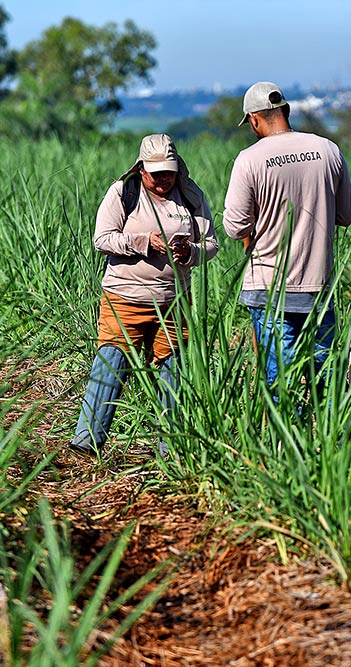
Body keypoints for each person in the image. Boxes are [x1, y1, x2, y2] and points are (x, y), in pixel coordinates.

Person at [71, 133, 218, 454]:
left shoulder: (190, 197)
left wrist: (190, 251)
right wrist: (142, 242)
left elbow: (211, 244)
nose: (163, 179)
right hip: (125, 297)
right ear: (141, 169)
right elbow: (103, 239)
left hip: (174, 300)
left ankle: (171, 447)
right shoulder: (123, 193)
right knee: (112, 364)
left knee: (173, 369)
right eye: (156, 173)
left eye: (169, 171)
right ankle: (86, 442)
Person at [223, 81, 351, 390]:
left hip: (268, 288)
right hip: (318, 287)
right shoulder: (327, 149)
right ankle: (327, 438)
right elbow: (346, 215)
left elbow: (235, 227)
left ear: (254, 119)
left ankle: (285, 439)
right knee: (325, 385)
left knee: (280, 386)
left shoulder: (250, 159)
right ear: (286, 110)